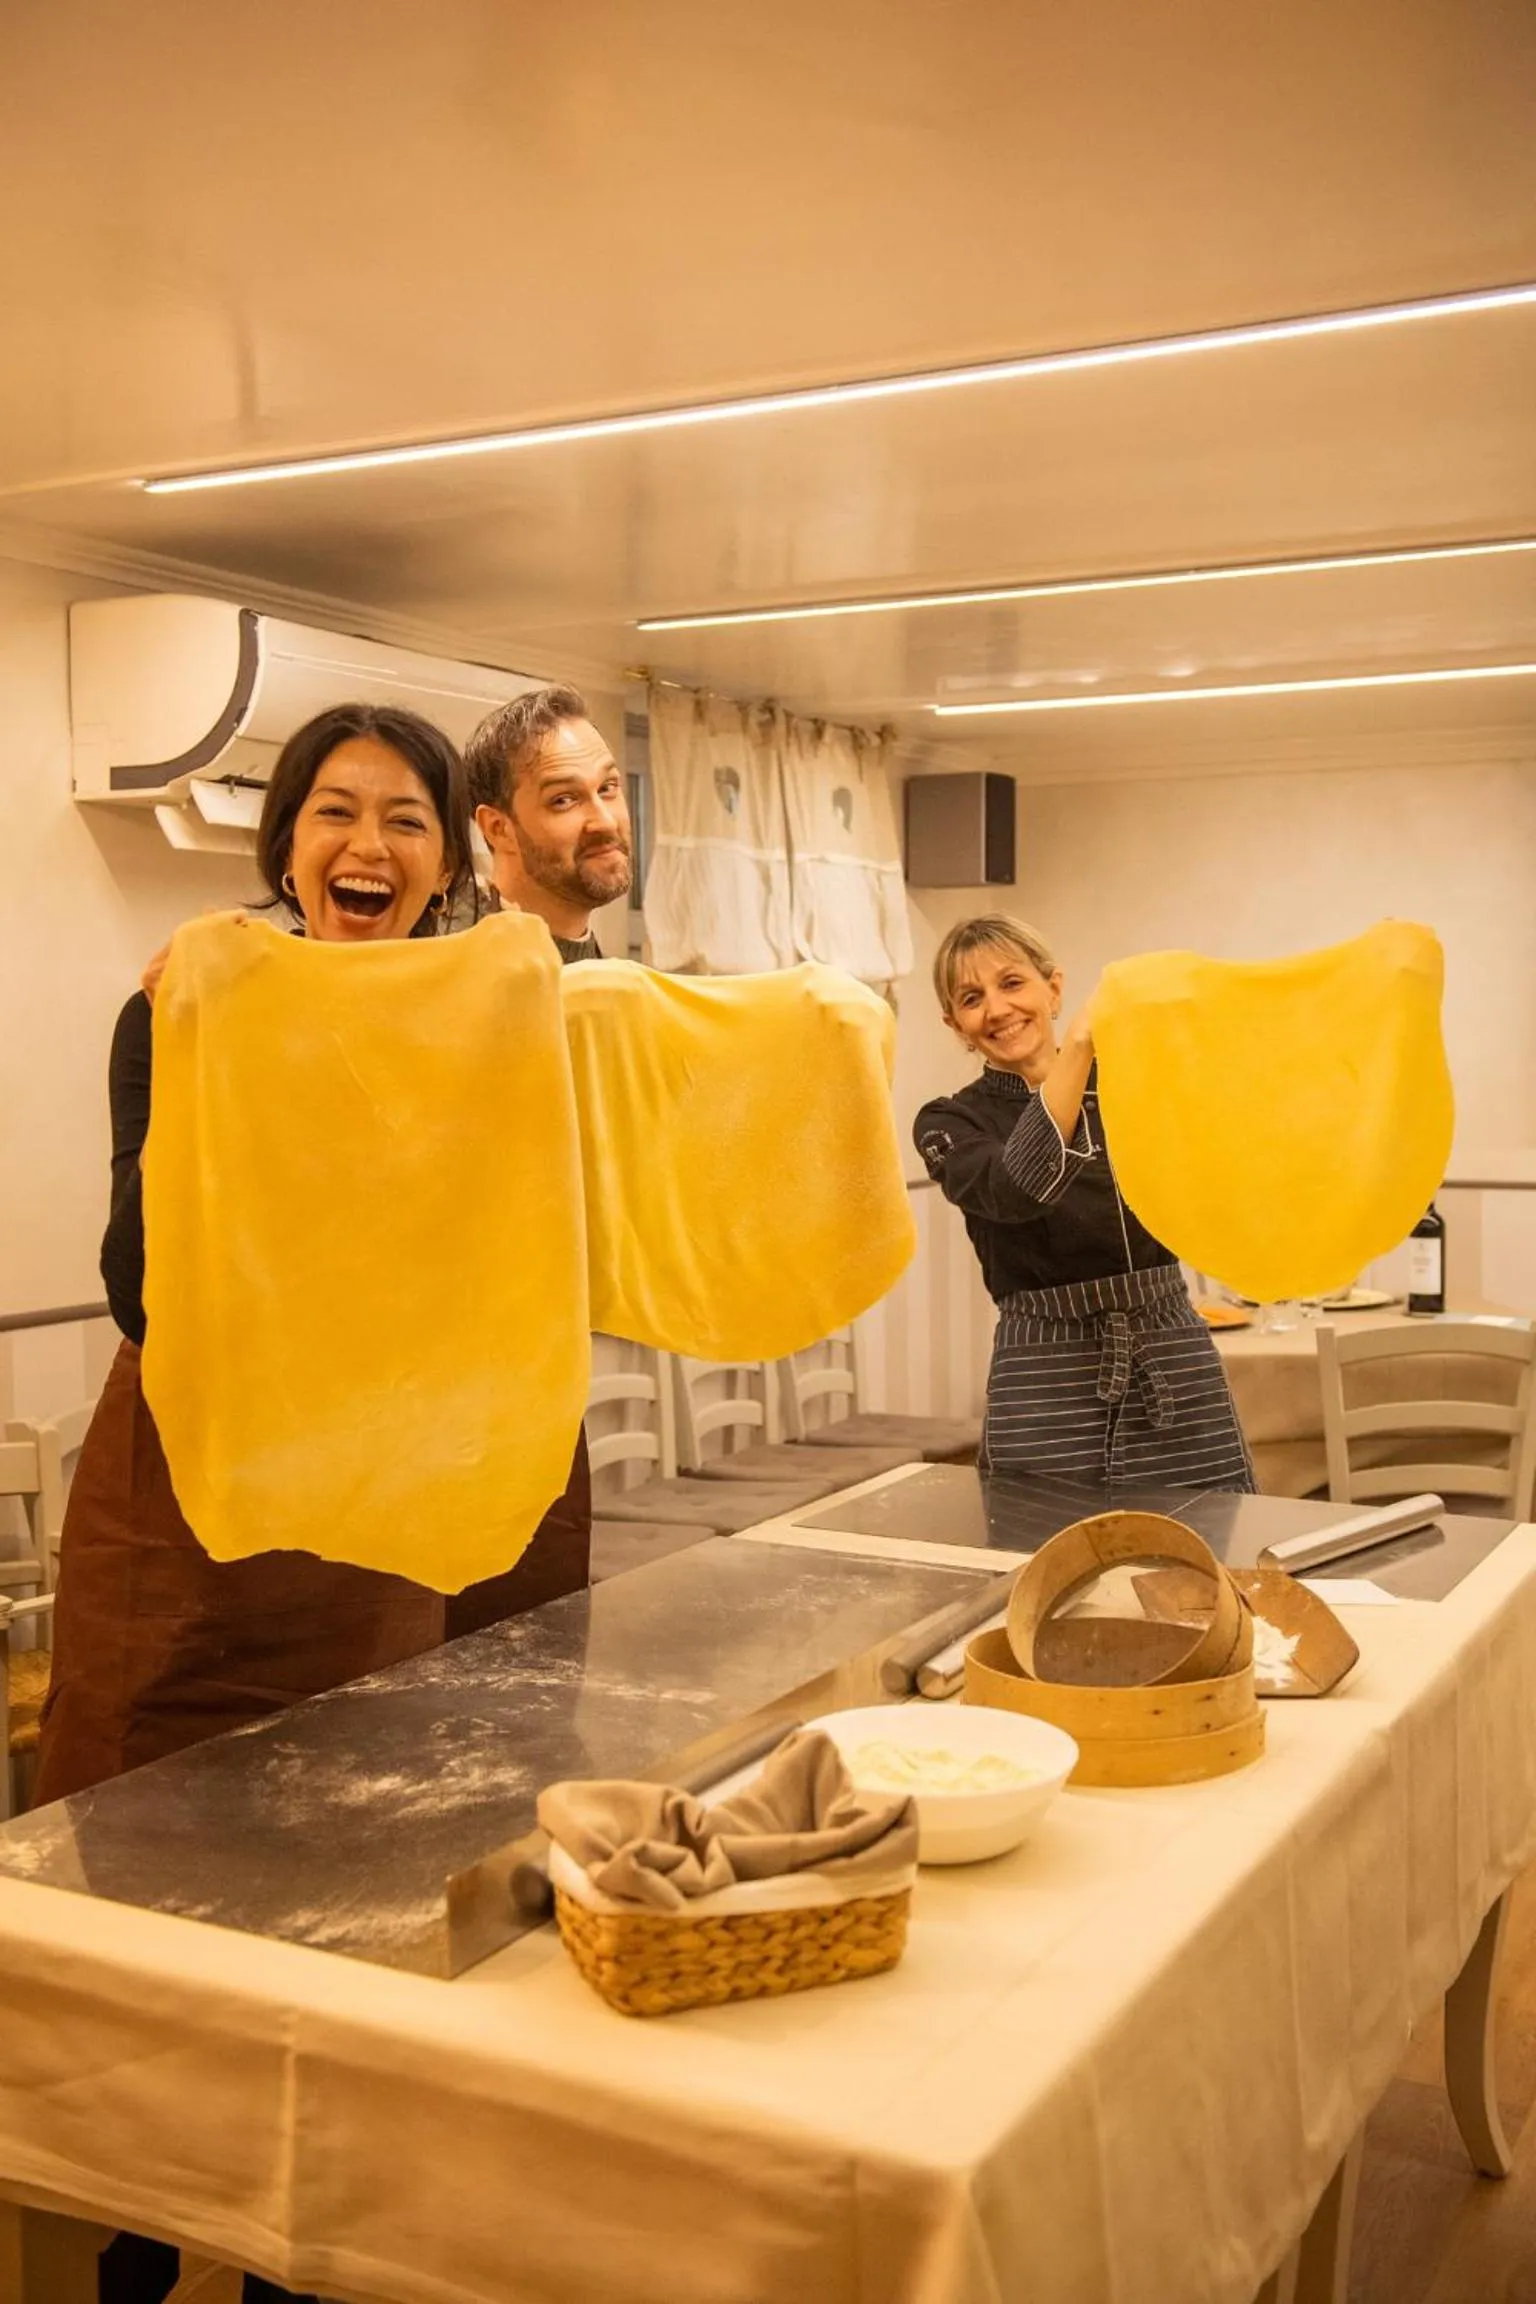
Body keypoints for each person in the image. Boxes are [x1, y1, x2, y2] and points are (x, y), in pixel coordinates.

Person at [914, 915, 1254, 1491]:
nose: (996, 1009)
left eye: (1012, 983)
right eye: (972, 999)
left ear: (1053, 988)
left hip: (1168, 1352)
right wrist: (1079, 1044)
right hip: (1042, 1369)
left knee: (1207, 1533)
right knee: (1042, 1539)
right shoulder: (948, 1121)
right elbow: (1018, 1187)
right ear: (956, 1025)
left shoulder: (1135, 1084)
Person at [462, 683, 632, 961]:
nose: (606, 822)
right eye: (563, 800)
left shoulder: (609, 975)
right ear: (498, 828)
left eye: (607, 788)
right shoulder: (444, 959)